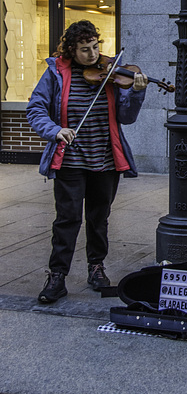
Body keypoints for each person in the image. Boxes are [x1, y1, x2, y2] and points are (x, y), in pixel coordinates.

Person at [27, 20, 148, 304]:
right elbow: (35, 108)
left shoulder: (112, 73)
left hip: (105, 160)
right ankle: (57, 276)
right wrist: (55, 130)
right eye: (85, 50)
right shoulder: (56, 72)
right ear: (71, 50)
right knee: (67, 220)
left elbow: (126, 117)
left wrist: (138, 93)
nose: (93, 55)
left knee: (98, 219)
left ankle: (96, 268)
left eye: (95, 47)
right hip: (70, 160)